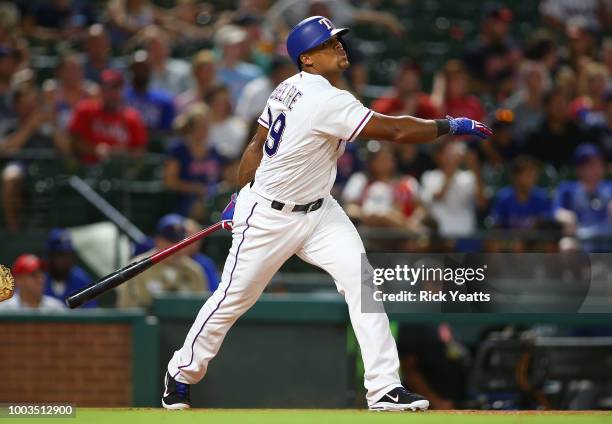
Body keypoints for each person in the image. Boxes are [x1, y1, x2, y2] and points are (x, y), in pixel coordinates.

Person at [161, 16, 491, 412]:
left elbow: (257, 143)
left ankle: (384, 388)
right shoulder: (326, 98)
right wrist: (448, 124)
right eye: (327, 44)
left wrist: (241, 190)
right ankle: (180, 372)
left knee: (363, 284)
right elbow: (396, 132)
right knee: (233, 299)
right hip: (269, 217)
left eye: (337, 41)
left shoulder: (289, 87)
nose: (338, 47)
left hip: (320, 212)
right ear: (308, 59)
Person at [116, 214, 206, 308]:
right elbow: (125, 309)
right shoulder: (137, 268)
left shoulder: (194, 270)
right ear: (158, 240)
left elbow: (204, 309)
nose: (175, 248)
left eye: (179, 243)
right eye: (170, 242)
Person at [69, 69, 148, 164]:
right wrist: (94, 150)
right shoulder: (85, 109)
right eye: (109, 88)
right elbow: (74, 141)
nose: (113, 93)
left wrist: (120, 153)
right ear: (101, 89)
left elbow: (139, 150)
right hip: (86, 168)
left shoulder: (132, 117)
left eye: (117, 88)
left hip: (120, 171)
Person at [163, 102, 225, 218]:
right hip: (183, 203)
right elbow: (170, 182)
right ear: (190, 127)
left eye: (207, 126)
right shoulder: (178, 150)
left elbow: (221, 178)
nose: (205, 130)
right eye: (200, 126)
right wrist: (195, 188)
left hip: (212, 201)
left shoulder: (215, 151)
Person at [554, 144, 612, 252]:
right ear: (579, 169)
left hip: (607, 237)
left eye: (598, 163)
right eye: (589, 165)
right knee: (566, 245)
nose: (595, 168)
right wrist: (567, 217)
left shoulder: (610, 188)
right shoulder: (567, 189)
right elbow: (557, 211)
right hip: (581, 237)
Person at [488, 156, 552, 230]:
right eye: (528, 175)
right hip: (509, 240)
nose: (532, 178)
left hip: (534, 240)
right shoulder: (504, 198)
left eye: (534, 174)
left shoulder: (541, 198)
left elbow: (546, 229)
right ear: (516, 177)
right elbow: (496, 227)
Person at [124, 49, 176, 136]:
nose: (141, 71)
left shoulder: (164, 100)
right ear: (131, 69)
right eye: (137, 67)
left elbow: (167, 132)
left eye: (144, 67)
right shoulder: (121, 97)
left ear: (151, 68)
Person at [43, 228, 96, 308]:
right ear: (50, 256)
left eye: (68, 255)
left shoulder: (82, 280)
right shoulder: (39, 279)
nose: (65, 261)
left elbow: (91, 313)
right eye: (60, 255)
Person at [0, 254, 65, 310]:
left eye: (41, 274)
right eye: (33, 275)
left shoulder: (56, 308)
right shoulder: (5, 309)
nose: (40, 279)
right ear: (18, 280)